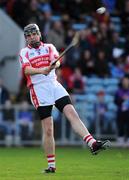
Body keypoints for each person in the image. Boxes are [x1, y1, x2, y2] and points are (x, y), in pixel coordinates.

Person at [19, 23, 110, 173]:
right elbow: (27, 70)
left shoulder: (49, 47)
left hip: (54, 85)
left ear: (39, 34)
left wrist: (54, 65)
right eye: (28, 35)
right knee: (48, 129)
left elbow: (58, 61)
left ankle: (92, 143)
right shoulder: (24, 52)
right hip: (38, 89)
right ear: (26, 38)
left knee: (72, 114)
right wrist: (42, 69)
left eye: (34, 33)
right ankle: (51, 165)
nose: (31, 37)